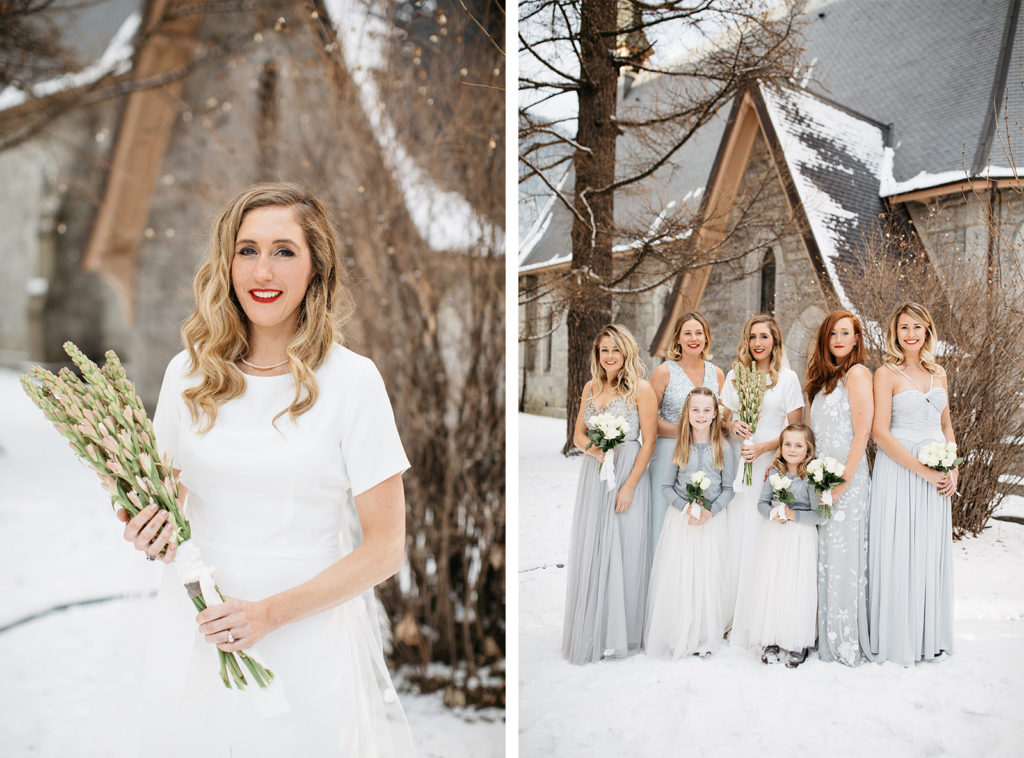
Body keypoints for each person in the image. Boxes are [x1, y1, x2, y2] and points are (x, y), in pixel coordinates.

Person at [117, 183, 415, 756]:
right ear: (226, 263)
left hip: (305, 635)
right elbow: (164, 504)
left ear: (315, 268)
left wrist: (269, 615)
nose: (263, 269)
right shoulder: (188, 374)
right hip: (198, 629)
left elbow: (385, 549)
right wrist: (142, 524)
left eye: (284, 251)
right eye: (247, 249)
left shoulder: (354, 382)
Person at [867, 302, 956, 665]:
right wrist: (923, 470)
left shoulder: (941, 374)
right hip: (901, 470)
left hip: (937, 472)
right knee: (899, 548)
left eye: (917, 327)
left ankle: (928, 634)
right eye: (904, 327)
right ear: (895, 332)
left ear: (927, 332)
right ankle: (897, 638)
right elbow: (879, 433)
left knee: (927, 549)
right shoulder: (885, 373)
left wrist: (952, 468)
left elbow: (946, 425)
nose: (911, 334)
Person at [562, 323, 657, 664]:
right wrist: (597, 451)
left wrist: (629, 484)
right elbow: (577, 434)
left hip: (627, 474)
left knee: (625, 549)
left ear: (626, 353)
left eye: (615, 350)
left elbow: (649, 443)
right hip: (595, 475)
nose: (609, 356)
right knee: (594, 547)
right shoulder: (590, 386)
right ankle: (595, 627)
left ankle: (624, 631)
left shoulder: (641, 390)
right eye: (604, 350)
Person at [720, 315, 803, 632]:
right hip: (741, 467)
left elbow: (796, 430)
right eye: (752, 336)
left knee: (762, 536)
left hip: (770, 466)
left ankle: (760, 614)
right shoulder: (735, 376)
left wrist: (765, 447)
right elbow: (723, 419)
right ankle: (733, 611)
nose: (757, 343)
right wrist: (733, 425)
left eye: (764, 337)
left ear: (775, 341)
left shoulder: (788, 380)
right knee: (737, 535)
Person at [645, 387, 735, 659]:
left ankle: (705, 633)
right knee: (681, 573)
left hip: (711, 522)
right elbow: (665, 487)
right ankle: (679, 629)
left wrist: (710, 511)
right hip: (682, 522)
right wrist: (685, 507)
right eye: (695, 409)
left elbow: (729, 489)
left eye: (707, 410)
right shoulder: (678, 446)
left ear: (715, 414)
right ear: (687, 413)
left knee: (708, 574)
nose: (701, 415)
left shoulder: (724, 447)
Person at [805, 310, 874, 666]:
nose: (838, 340)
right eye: (832, 334)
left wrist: (844, 482)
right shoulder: (824, 381)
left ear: (857, 339)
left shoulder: (858, 374)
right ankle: (822, 632)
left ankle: (845, 640)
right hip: (821, 478)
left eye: (845, 333)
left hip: (848, 478)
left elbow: (863, 431)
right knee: (824, 555)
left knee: (844, 557)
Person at [742, 424, 827, 668]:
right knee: (775, 583)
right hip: (775, 537)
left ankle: (798, 641)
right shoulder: (774, 473)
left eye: (798, 445)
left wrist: (793, 515)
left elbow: (821, 515)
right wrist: (773, 512)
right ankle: (771, 638)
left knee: (797, 586)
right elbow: (761, 504)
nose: (792, 449)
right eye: (787, 444)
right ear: (780, 447)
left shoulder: (812, 477)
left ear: (808, 449)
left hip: (801, 538)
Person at [646, 312, 725, 551]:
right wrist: (684, 432)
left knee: (698, 522)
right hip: (669, 454)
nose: (694, 338)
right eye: (687, 333)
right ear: (678, 338)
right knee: (664, 519)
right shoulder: (664, 372)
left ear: (706, 337)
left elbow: (719, 419)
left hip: (705, 458)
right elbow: (648, 420)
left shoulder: (717, 374)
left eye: (699, 333)